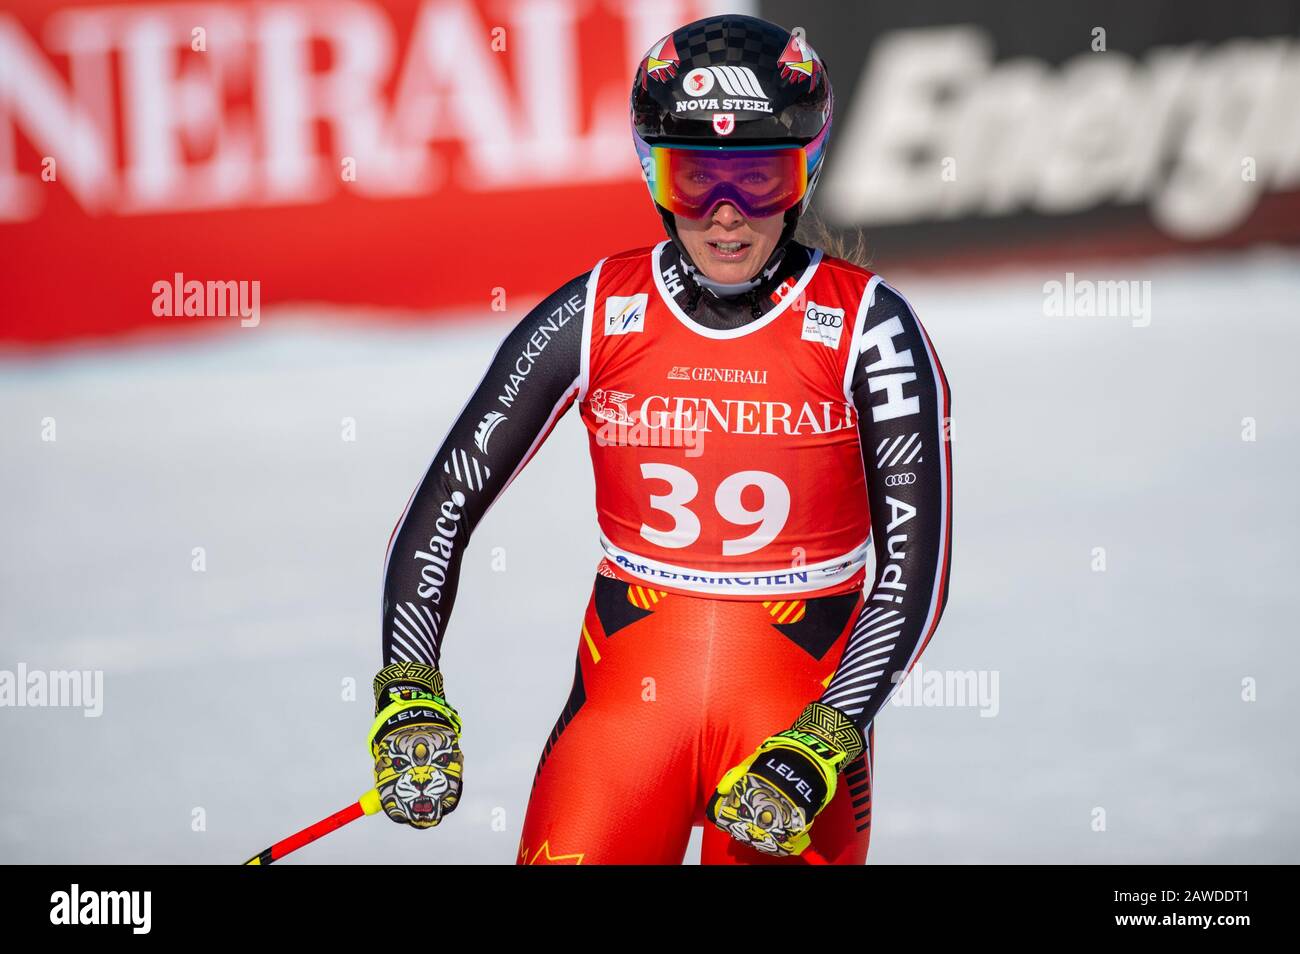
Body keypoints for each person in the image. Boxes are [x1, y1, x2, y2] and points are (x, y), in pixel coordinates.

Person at [366, 13, 952, 865]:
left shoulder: (868, 327)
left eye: (758, 180)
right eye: (694, 179)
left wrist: (822, 740)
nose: (725, 216)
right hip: (621, 738)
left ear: (807, 170)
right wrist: (410, 685)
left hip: (791, 751)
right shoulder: (598, 309)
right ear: (651, 170)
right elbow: (444, 504)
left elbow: (914, 577)